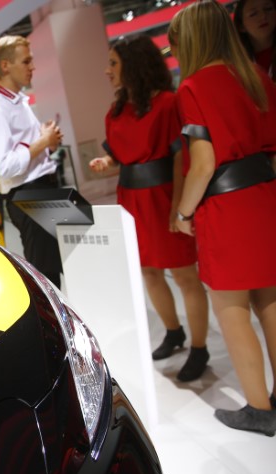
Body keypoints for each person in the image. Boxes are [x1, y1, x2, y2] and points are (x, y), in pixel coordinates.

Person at [168, 0, 276, 436]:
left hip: (226, 210)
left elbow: (203, 163)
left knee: (232, 313)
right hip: (265, 200)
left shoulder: (193, 87)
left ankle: (258, 409)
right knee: (270, 304)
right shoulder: (257, 79)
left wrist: (182, 213)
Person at [88, 35, 211, 382]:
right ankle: (174, 332)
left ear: (134, 64)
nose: (107, 70)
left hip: (163, 197)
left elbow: (178, 156)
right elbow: (122, 153)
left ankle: (200, 348)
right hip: (130, 198)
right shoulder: (115, 111)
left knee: (186, 275)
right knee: (149, 272)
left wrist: (178, 207)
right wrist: (107, 161)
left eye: (113, 63)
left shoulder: (170, 103)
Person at [0, 35, 64, 287]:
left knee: (77, 257)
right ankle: (55, 325)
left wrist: (47, 141)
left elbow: (26, 153)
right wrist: (43, 142)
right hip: (28, 196)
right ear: (5, 66)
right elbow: (4, 166)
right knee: (48, 278)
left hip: (44, 189)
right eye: (26, 61)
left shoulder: (19, 103)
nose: (32, 67)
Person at [233, 0, 276, 80]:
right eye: (253, 14)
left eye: (268, 9)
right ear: (241, 26)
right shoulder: (236, 62)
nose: (263, 16)